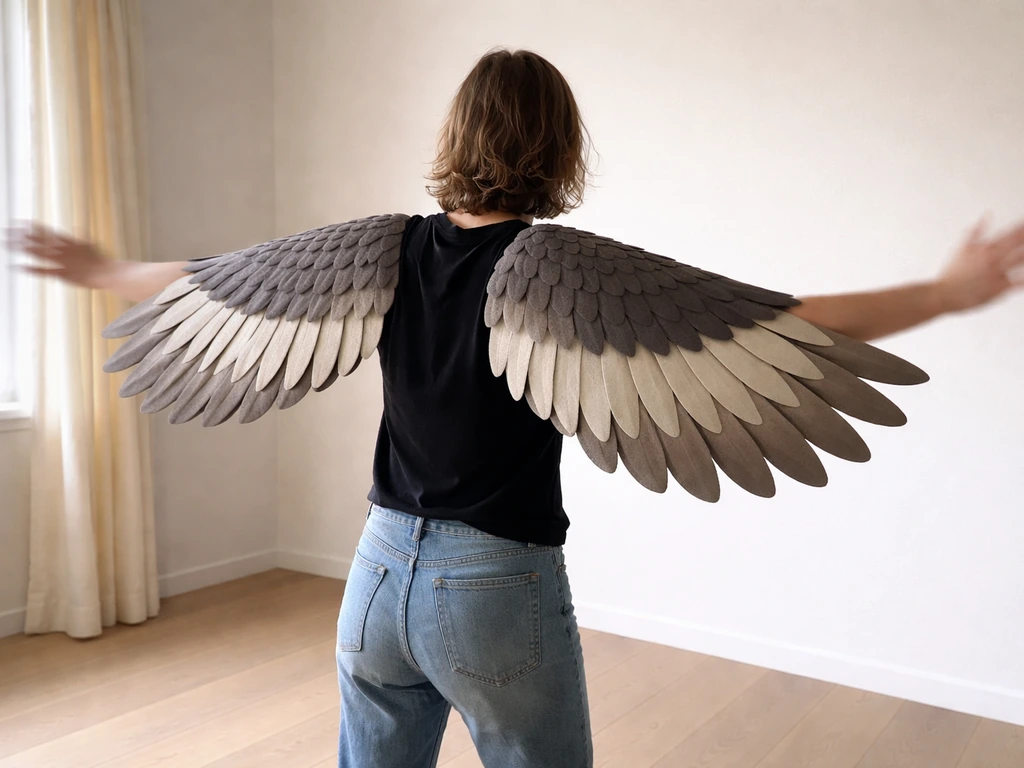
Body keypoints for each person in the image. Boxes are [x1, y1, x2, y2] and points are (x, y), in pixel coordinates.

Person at [7, 48, 1023, 768]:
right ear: (560, 149)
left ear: (454, 138)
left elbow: (214, 276)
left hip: (374, 577)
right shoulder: (558, 265)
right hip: (494, 584)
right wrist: (943, 292)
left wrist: (102, 272)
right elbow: (783, 325)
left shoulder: (383, 247)